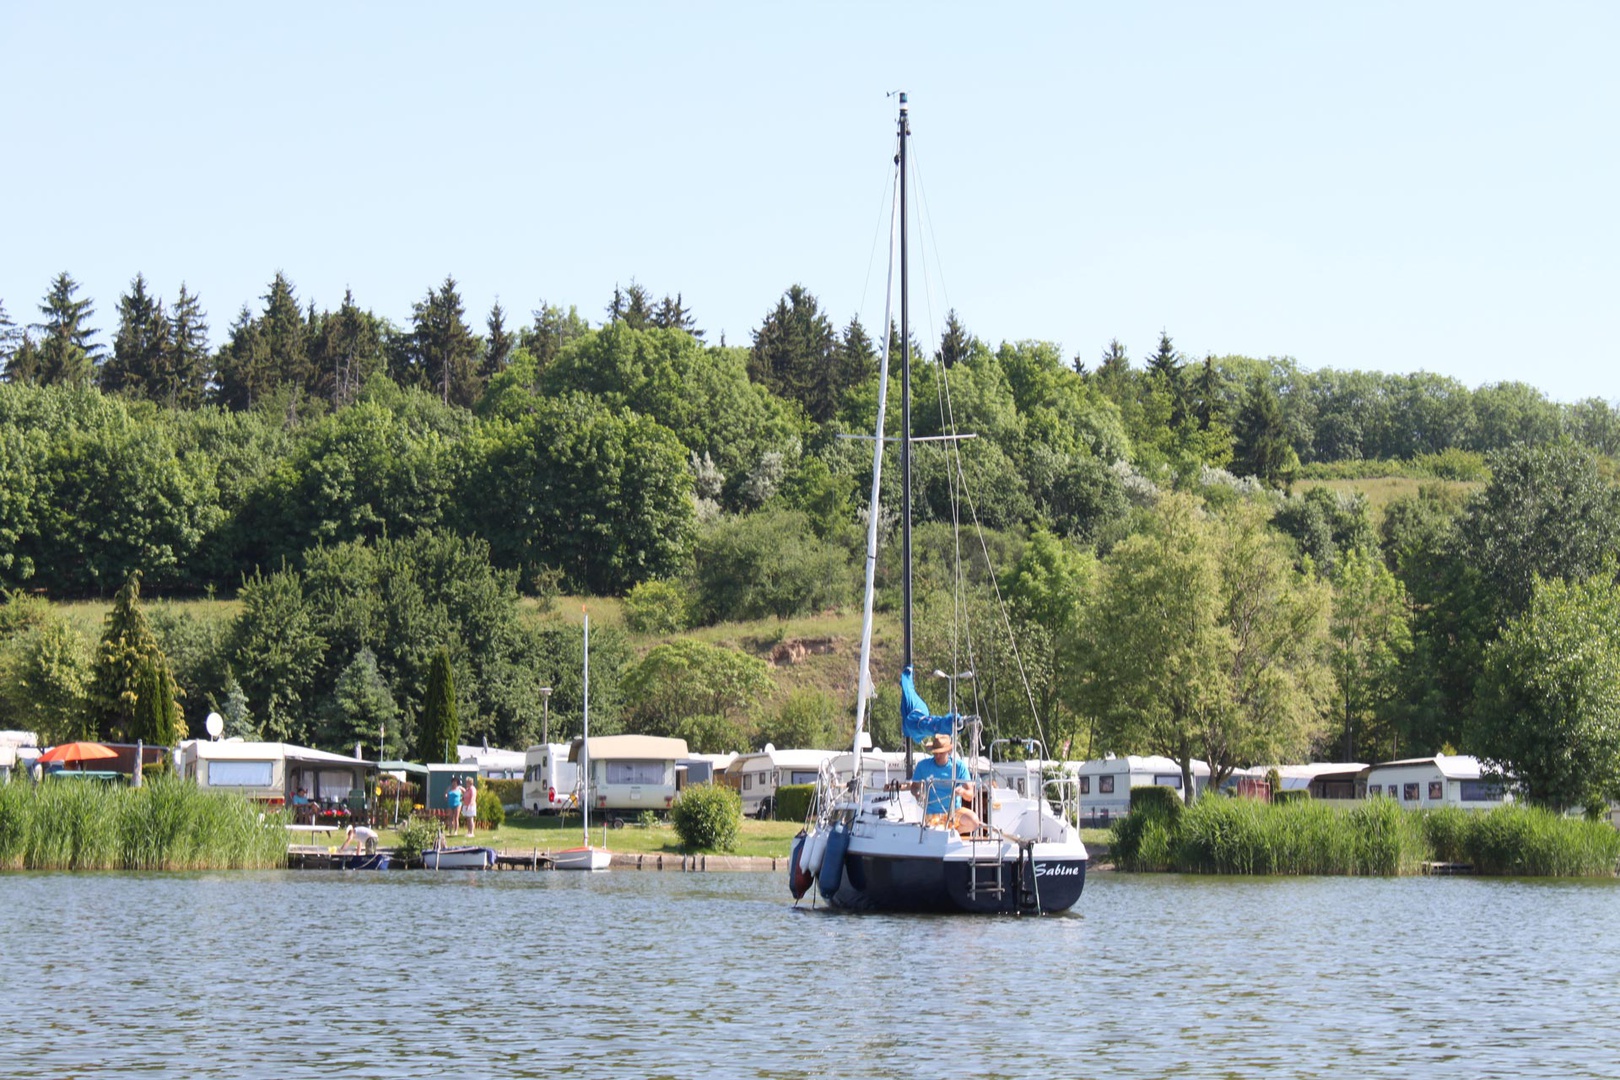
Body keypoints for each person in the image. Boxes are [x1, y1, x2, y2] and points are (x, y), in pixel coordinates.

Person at [910, 732, 981, 833]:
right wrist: (918, 793)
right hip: (933, 813)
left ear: (949, 751)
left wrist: (962, 792)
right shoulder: (923, 766)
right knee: (938, 832)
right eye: (935, 752)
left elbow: (970, 795)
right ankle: (948, 834)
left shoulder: (959, 766)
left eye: (941, 752)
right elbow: (914, 787)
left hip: (954, 812)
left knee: (974, 821)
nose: (937, 755)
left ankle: (954, 833)